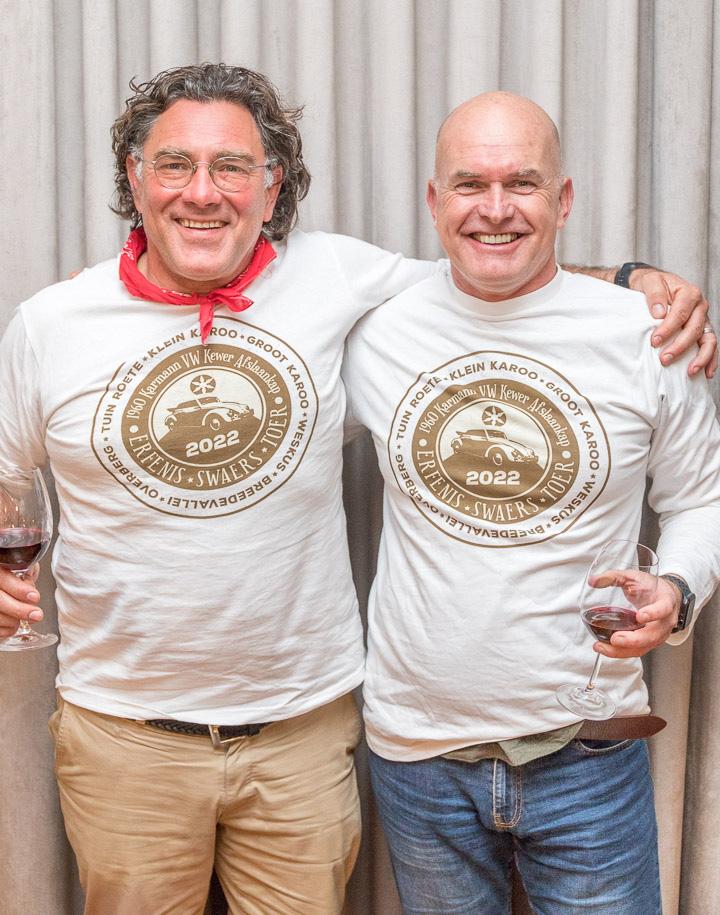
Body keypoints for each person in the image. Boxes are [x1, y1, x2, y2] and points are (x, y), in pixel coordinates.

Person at [0, 65, 713, 915]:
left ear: (272, 188)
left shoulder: (338, 281)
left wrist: (635, 278)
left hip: (315, 734)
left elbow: (499, 270)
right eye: (174, 164)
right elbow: (4, 479)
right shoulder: (54, 323)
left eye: (232, 166)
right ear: (135, 176)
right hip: (141, 735)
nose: (203, 192)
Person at [343, 91, 720, 914]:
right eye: (470, 184)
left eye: (522, 183)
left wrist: (677, 588)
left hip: (590, 752)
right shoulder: (374, 331)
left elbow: (702, 497)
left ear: (564, 198)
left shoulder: (647, 335)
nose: (495, 208)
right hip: (418, 754)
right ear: (434, 200)